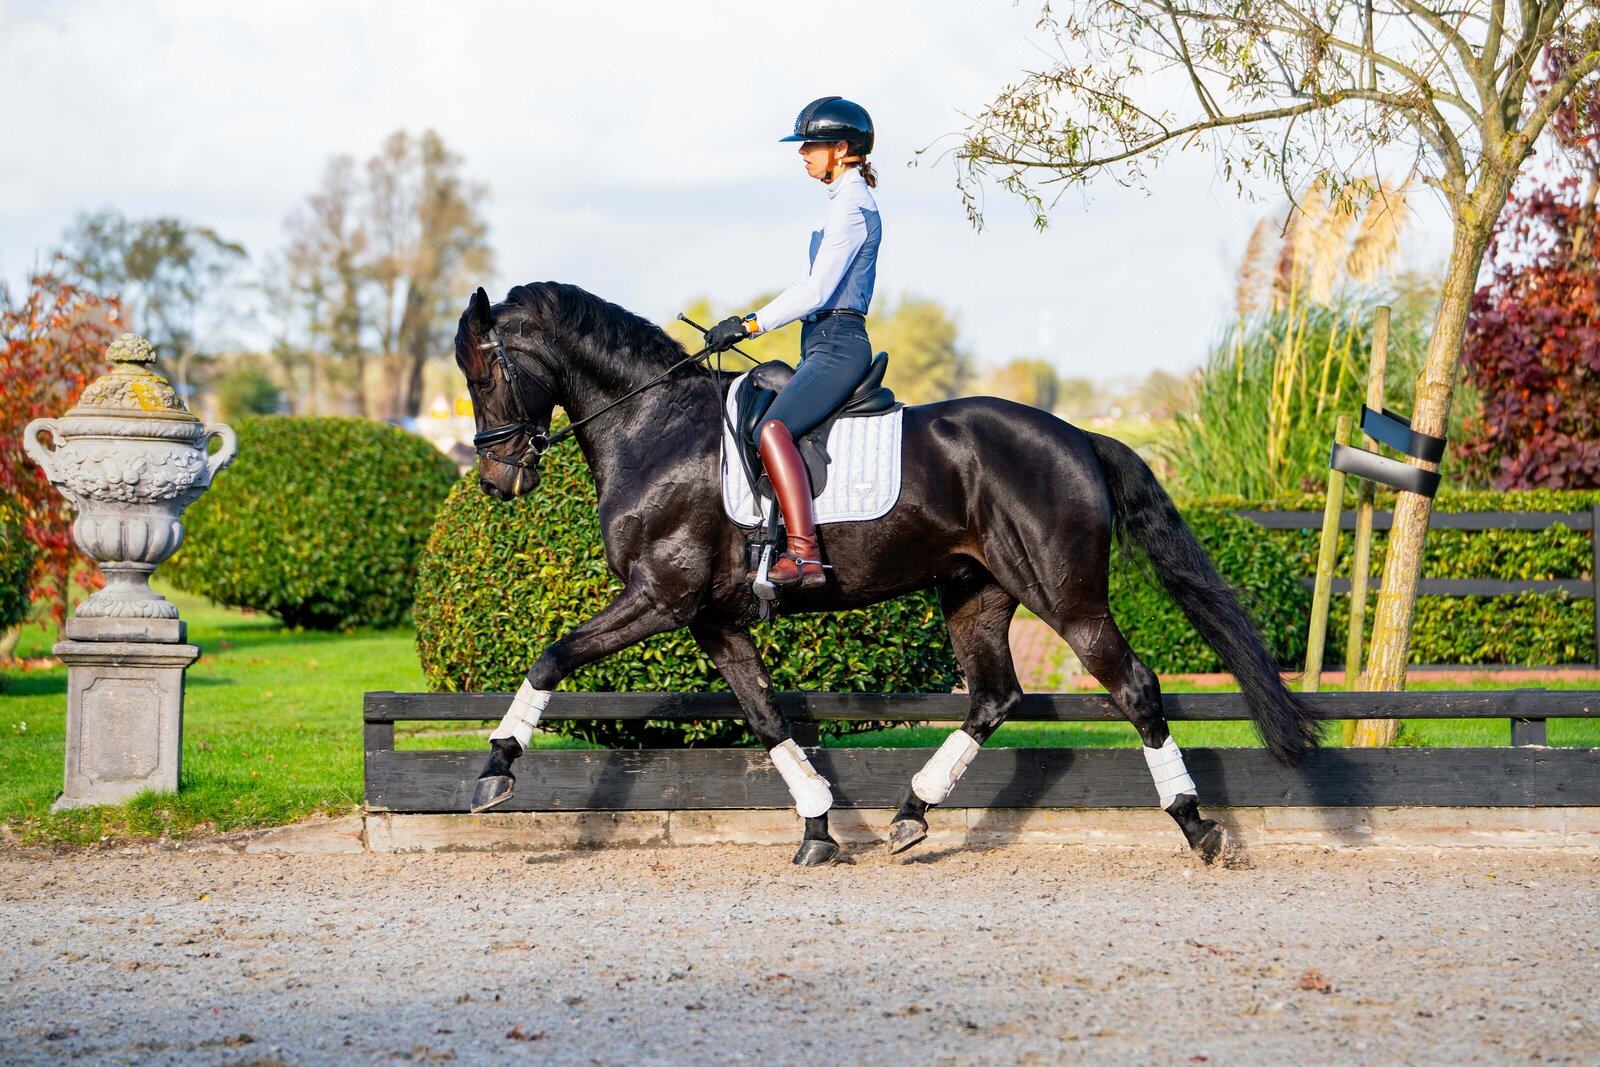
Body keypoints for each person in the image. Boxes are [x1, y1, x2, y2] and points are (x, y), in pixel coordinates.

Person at [706, 96, 881, 589]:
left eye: (812, 144)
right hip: (819, 342)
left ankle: (804, 554)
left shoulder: (851, 206)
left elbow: (816, 290)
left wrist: (750, 324)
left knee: (772, 429)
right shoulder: (838, 204)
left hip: (839, 343)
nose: (803, 152)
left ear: (842, 149)